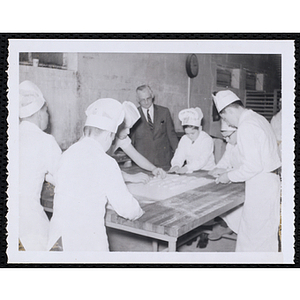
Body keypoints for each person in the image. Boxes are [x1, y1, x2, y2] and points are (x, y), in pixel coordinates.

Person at [48, 98, 144, 251]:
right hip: (86, 242)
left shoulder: (68, 153)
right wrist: (139, 211)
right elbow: (127, 208)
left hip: (57, 240)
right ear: (109, 136)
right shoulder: (106, 162)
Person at [212, 90, 281, 252]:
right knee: (264, 237)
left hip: (260, 186)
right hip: (268, 183)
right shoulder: (258, 118)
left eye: (224, 118)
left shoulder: (246, 126)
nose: (227, 122)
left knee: (252, 240)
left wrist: (227, 176)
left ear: (228, 111)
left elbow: (252, 166)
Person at [19, 80, 62, 251]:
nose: (48, 117)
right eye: (47, 112)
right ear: (39, 114)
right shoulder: (44, 140)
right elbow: (65, 176)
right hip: (28, 224)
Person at [108, 101, 166, 183]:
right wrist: (128, 177)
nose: (128, 132)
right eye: (125, 128)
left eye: (129, 128)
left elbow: (137, 157)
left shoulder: (121, 138)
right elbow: (101, 167)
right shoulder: (102, 138)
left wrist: (153, 168)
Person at [208, 121, 243, 239]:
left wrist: (227, 173)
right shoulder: (231, 144)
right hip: (235, 178)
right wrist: (217, 168)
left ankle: (235, 229)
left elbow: (245, 169)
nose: (226, 140)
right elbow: (225, 160)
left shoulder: (247, 144)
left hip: (247, 181)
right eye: (224, 137)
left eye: (228, 136)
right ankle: (227, 226)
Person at [130, 85, 178, 169]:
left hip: (164, 161)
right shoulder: (133, 115)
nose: (146, 102)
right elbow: (131, 142)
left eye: (148, 98)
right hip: (143, 163)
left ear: (152, 95)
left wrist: (179, 157)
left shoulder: (164, 112)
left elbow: (172, 136)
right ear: (137, 100)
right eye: (142, 100)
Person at [169, 107, 215, 174]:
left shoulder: (207, 140)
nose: (190, 136)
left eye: (192, 133)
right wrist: (176, 165)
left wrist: (187, 168)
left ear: (200, 128)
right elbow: (179, 155)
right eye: (187, 133)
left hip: (206, 171)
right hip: (191, 172)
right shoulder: (184, 139)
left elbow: (202, 160)